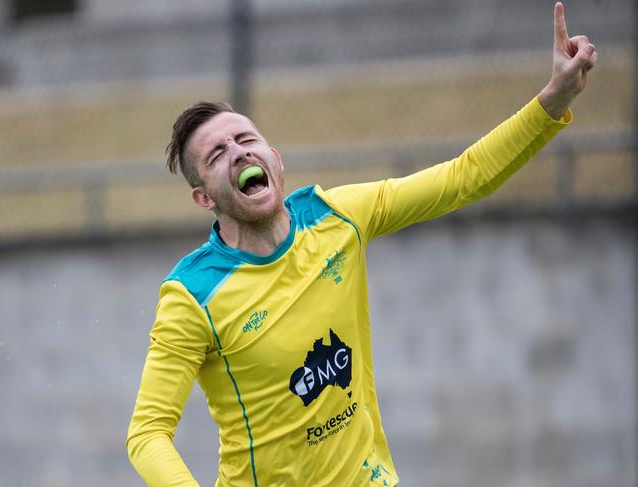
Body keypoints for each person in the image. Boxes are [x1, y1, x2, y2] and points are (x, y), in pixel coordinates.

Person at [126, 3, 597, 486]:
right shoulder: (192, 296)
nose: (239, 152)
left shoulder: (338, 217)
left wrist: (553, 102)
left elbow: (464, 177)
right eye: (217, 153)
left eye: (246, 138)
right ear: (204, 197)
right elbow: (147, 433)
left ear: (275, 158)